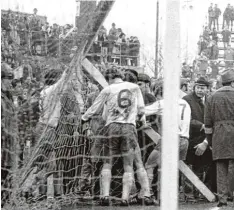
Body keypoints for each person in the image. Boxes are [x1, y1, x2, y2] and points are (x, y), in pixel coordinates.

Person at [82, 67, 152, 206]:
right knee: (130, 164)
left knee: (108, 161)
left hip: (112, 127)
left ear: (108, 78)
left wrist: (84, 118)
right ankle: (127, 197)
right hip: (129, 127)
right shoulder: (134, 87)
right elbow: (141, 110)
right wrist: (141, 120)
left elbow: (95, 108)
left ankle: (105, 195)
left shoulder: (108, 89)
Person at [144, 82, 191, 202]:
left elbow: (143, 111)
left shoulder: (163, 103)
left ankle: (147, 194)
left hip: (170, 139)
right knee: (171, 169)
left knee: (149, 164)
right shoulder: (185, 103)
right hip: (184, 140)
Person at [183, 77, 216, 199]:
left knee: (206, 166)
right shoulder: (186, 100)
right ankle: (189, 194)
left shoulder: (211, 100)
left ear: (207, 89)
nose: (200, 91)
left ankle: (203, 193)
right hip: (192, 137)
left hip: (207, 138)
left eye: (203, 88)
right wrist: (201, 125)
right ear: (194, 87)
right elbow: (186, 119)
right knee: (190, 165)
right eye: (198, 88)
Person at [204, 70, 234, 207]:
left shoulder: (211, 98)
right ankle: (232, 194)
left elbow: (207, 123)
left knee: (221, 166)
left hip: (218, 135)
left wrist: (209, 140)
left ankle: (222, 199)